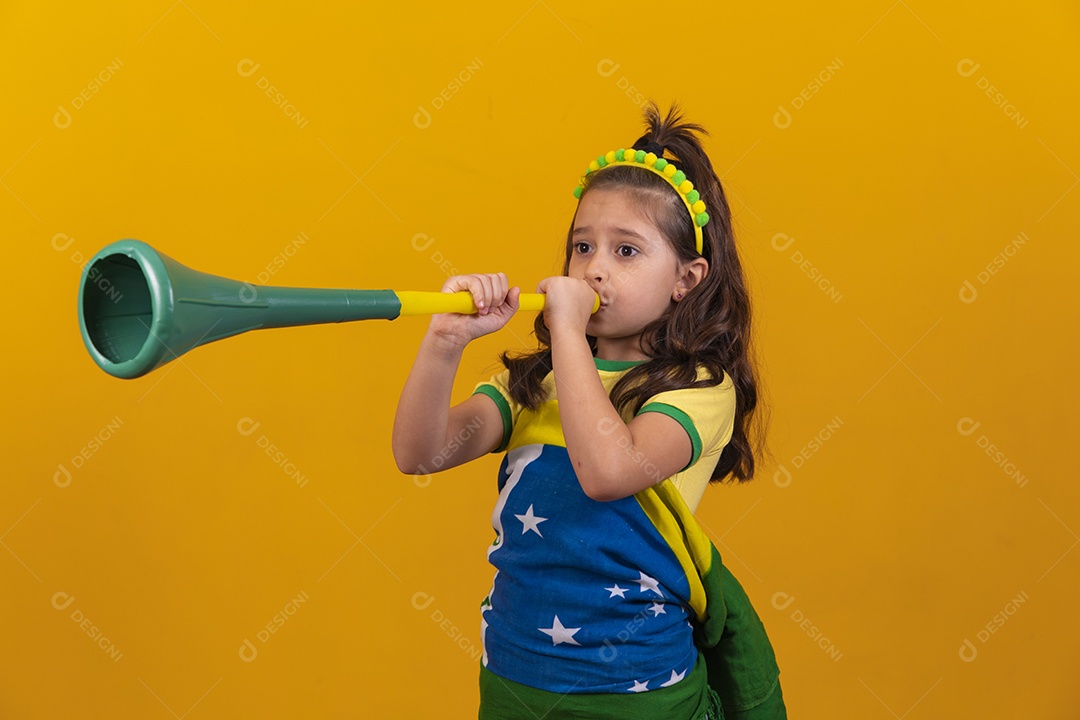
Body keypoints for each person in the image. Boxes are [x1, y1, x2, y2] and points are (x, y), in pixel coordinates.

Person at [393, 102, 786, 719]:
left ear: (687, 277)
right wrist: (445, 341)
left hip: (636, 687)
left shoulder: (699, 389)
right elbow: (419, 454)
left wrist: (569, 335)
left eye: (626, 251)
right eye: (582, 246)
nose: (594, 267)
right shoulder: (537, 382)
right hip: (516, 675)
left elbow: (607, 471)